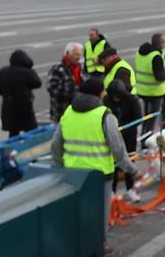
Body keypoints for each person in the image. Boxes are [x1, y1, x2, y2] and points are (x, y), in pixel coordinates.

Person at [51, 78, 138, 250]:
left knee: (78, 210)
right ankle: (101, 245)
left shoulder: (68, 112)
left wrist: (59, 166)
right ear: (100, 93)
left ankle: (77, 243)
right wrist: (132, 169)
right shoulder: (105, 115)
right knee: (100, 213)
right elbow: (118, 149)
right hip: (100, 175)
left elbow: (55, 145)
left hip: (73, 172)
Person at [100, 47, 143, 204]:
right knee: (114, 163)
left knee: (130, 160)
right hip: (113, 135)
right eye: (114, 98)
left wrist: (125, 127)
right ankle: (112, 191)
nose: (116, 100)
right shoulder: (107, 101)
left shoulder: (132, 101)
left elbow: (138, 117)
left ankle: (130, 189)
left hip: (128, 134)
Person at [0, 49, 41, 138]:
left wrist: (7, 95)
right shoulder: (27, 72)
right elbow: (37, 83)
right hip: (24, 107)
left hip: (9, 107)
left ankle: (13, 151)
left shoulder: (3, 71)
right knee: (32, 132)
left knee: (13, 133)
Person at [134, 33, 165, 128]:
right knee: (152, 119)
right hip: (154, 92)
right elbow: (159, 76)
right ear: (160, 43)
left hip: (142, 90)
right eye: (163, 42)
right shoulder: (156, 56)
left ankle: (144, 136)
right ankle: (147, 138)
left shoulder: (140, 53)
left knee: (146, 116)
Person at [47, 42, 84, 123]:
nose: (79, 58)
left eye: (80, 55)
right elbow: (52, 88)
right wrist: (74, 93)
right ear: (68, 54)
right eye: (76, 55)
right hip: (61, 112)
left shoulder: (79, 67)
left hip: (76, 111)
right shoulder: (58, 69)